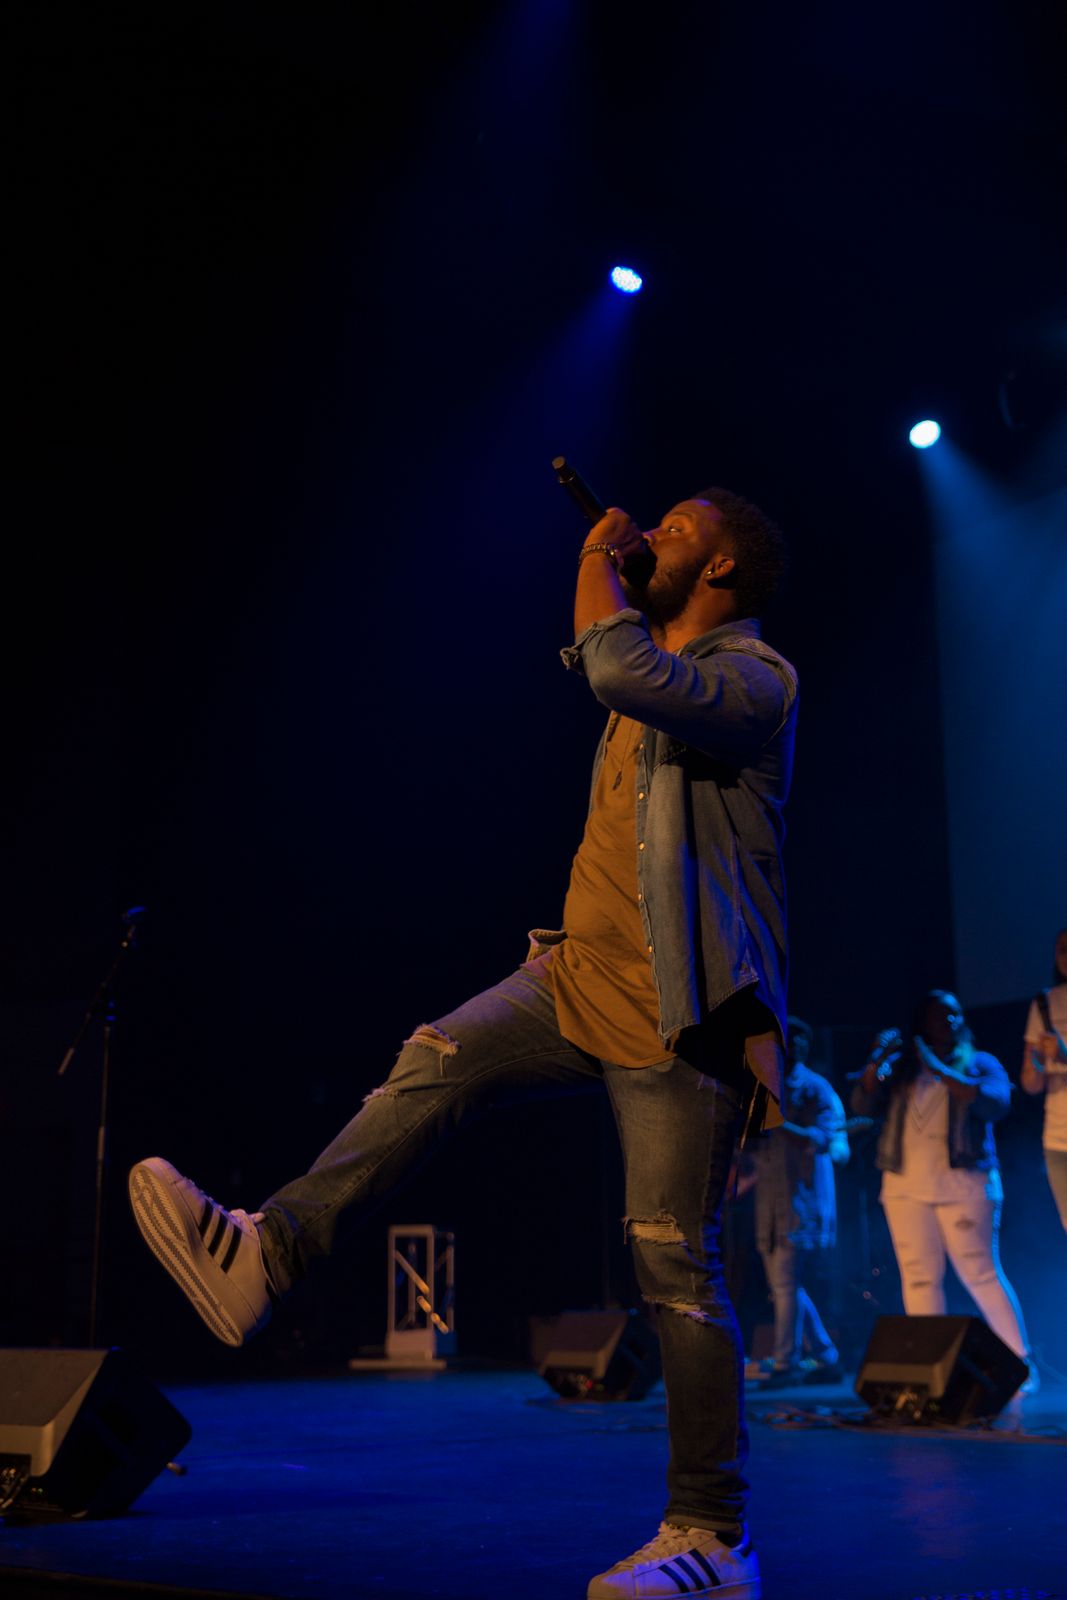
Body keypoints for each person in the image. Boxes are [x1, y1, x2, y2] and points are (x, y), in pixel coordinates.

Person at [129, 485, 797, 1600]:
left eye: (677, 529)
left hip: (680, 1011)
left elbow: (614, 665)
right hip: (573, 978)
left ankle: (714, 1536)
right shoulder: (645, 674)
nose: (651, 535)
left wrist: (595, 555)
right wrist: (610, 579)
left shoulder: (754, 678)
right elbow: (610, 669)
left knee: (674, 1264)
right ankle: (267, 1254)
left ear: (722, 568)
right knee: (432, 1059)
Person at [851, 990, 1032, 1377]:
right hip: (904, 1188)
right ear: (922, 1022)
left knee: (980, 1274)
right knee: (919, 1278)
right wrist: (876, 1060)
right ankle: (931, 1370)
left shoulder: (979, 1062)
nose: (945, 1022)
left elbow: (995, 1104)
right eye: (936, 1015)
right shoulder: (901, 1069)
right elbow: (862, 1104)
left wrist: (937, 1067)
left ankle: (1019, 1364)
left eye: (952, 1014)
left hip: (964, 1186)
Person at [752, 1016, 848, 1385]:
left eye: (799, 1039)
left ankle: (785, 1363)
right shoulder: (765, 1086)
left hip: (801, 1202)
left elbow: (823, 1140)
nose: (793, 1046)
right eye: (787, 1039)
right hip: (770, 1205)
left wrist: (776, 1120)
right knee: (784, 1286)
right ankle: (825, 1355)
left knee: (785, 1283)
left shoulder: (815, 1088)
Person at [1019, 928, 1067, 1232]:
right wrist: (1036, 1061)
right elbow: (1031, 1085)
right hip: (1058, 1139)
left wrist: (1064, 1056)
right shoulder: (1045, 1004)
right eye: (1062, 949)